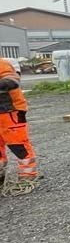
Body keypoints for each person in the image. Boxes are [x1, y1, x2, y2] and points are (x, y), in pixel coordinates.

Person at [0, 59, 38, 195]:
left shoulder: (2, 64)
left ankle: (28, 176)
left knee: (18, 144)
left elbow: (12, 81)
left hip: (11, 111)